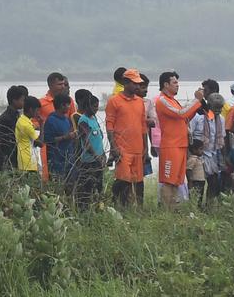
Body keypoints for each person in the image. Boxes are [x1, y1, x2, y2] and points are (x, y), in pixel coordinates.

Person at [155, 71, 205, 207]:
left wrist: (197, 105)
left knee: (177, 180)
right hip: (171, 146)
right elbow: (180, 114)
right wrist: (196, 100)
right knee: (168, 180)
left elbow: (185, 116)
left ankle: (173, 208)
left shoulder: (173, 100)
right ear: (166, 84)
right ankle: (166, 210)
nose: (178, 85)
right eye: (175, 82)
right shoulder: (162, 100)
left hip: (181, 145)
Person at [105, 69, 149, 206]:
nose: (137, 86)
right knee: (123, 180)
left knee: (139, 181)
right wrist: (113, 147)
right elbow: (109, 126)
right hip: (122, 148)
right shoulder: (114, 101)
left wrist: (146, 149)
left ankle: (139, 208)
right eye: (134, 83)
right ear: (125, 82)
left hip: (138, 148)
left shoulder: (140, 102)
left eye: (138, 84)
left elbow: (143, 126)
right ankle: (117, 204)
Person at [38, 72, 76, 180]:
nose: (63, 87)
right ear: (51, 85)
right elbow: (33, 124)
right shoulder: (41, 103)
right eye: (60, 84)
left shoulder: (69, 101)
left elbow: (73, 120)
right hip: (49, 147)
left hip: (67, 149)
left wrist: (70, 135)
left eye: (64, 84)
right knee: (50, 175)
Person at [189, 92, 226, 200]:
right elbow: (189, 135)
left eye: (220, 108)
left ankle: (209, 206)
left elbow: (222, 138)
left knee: (213, 182)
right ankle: (197, 206)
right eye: (216, 108)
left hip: (213, 155)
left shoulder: (221, 119)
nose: (218, 111)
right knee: (199, 183)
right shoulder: (198, 117)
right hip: (198, 156)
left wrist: (223, 157)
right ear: (209, 106)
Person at [73, 90, 105, 209]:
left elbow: (99, 138)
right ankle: (84, 210)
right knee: (87, 188)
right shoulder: (83, 121)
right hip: (89, 161)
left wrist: (102, 155)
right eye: (94, 106)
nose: (96, 109)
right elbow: (86, 142)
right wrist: (96, 156)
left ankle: (98, 208)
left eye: (97, 106)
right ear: (87, 106)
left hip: (98, 158)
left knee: (98, 187)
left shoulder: (94, 118)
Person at [42, 93, 78, 191]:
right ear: (62, 105)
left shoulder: (66, 119)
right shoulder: (51, 120)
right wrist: (65, 137)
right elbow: (47, 140)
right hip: (56, 161)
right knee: (58, 187)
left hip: (69, 159)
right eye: (67, 104)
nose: (69, 107)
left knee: (71, 187)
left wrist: (73, 136)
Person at [0, 84, 26, 171]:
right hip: (9, 157)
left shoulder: (16, 115)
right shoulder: (6, 118)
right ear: (14, 100)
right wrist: (1, 163)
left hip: (15, 155)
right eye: (22, 100)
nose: (24, 102)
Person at [15, 97, 41, 179]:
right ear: (31, 109)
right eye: (37, 110)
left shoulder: (22, 120)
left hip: (26, 162)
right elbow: (40, 143)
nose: (38, 113)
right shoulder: (26, 125)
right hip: (28, 162)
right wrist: (42, 125)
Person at [186, 139, 207, 204]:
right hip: (196, 181)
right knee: (195, 197)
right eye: (200, 149)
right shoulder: (192, 159)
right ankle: (194, 209)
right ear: (194, 150)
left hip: (201, 181)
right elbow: (188, 170)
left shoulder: (199, 158)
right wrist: (190, 181)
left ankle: (199, 208)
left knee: (200, 196)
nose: (202, 151)